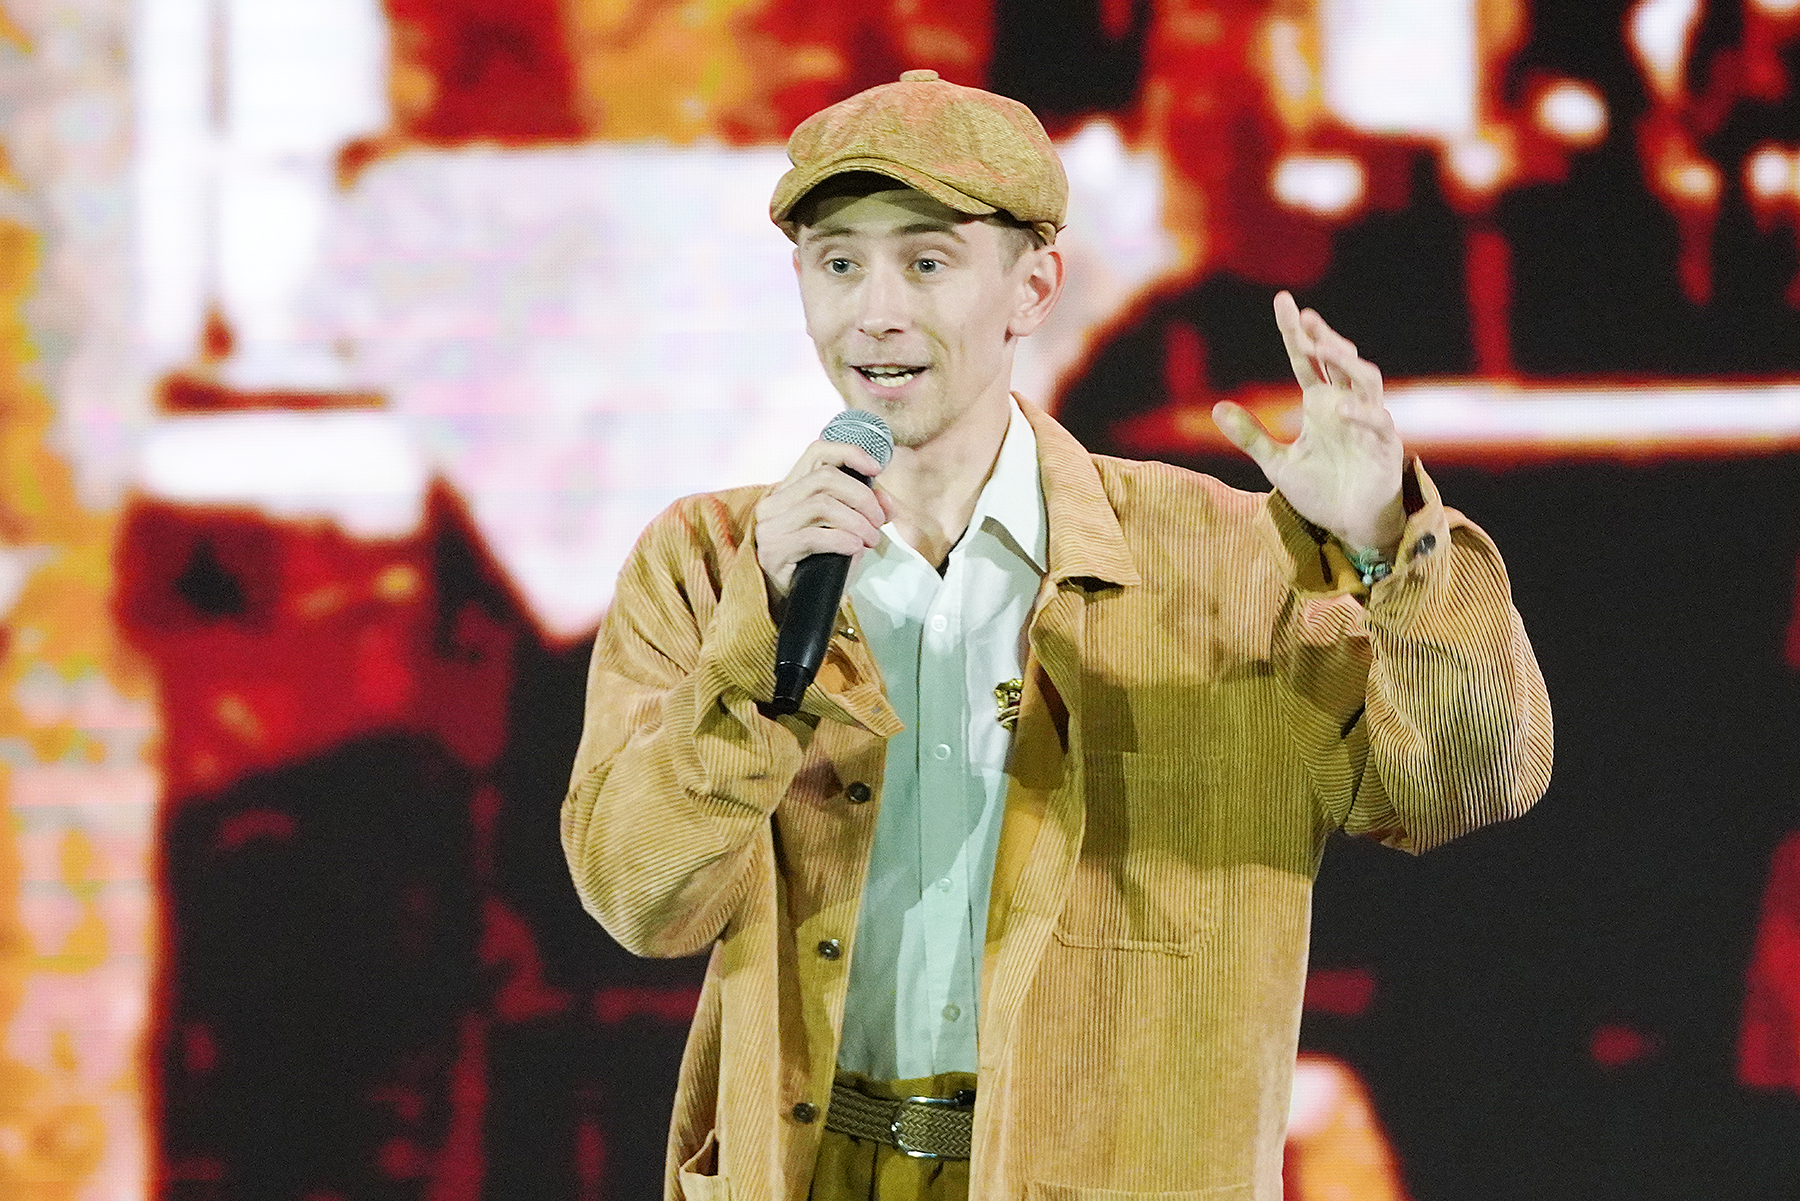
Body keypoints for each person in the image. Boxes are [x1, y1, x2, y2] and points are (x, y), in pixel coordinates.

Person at [561, 69, 1553, 1201]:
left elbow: (1466, 782)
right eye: (839, 264)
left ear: (1031, 288)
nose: (875, 312)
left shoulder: (1227, 559)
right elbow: (641, 899)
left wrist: (1388, 538)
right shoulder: (711, 562)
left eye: (926, 263)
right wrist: (761, 642)